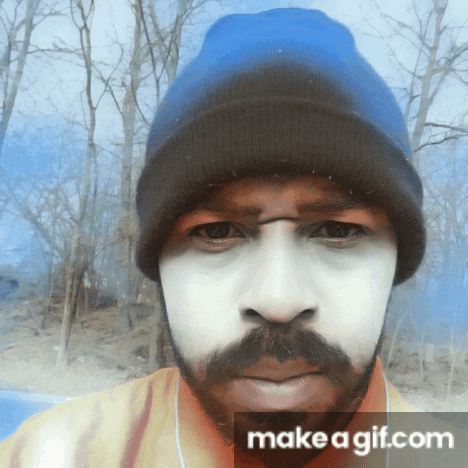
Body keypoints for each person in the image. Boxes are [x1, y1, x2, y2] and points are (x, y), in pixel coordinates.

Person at [1, 8, 465, 468]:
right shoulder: (48, 456)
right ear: (158, 261)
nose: (278, 301)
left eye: (338, 231)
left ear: (396, 259)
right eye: (216, 232)